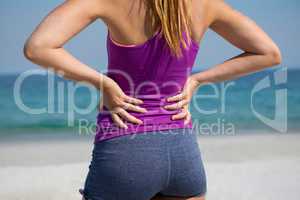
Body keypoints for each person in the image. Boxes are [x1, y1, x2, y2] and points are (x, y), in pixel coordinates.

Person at [23, 0, 281, 199]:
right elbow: (268, 53)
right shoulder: (204, 4)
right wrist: (197, 80)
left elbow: (37, 47)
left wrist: (103, 83)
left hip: (125, 152)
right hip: (183, 155)